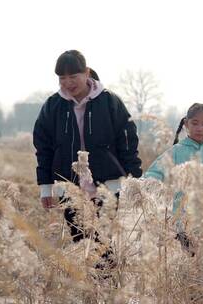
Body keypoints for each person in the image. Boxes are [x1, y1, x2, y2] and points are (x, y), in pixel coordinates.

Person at [33, 50, 142, 247]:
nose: (68, 82)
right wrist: (46, 187)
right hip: (69, 185)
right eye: (62, 78)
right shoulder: (53, 106)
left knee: (105, 243)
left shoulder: (109, 101)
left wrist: (134, 180)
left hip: (108, 186)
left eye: (73, 76)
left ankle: (108, 279)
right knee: (81, 244)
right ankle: (89, 279)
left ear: (86, 73)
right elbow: (44, 148)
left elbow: (127, 141)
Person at [144, 103, 203, 255]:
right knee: (190, 262)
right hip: (184, 221)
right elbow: (154, 173)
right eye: (194, 123)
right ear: (186, 124)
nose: (199, 128)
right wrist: (146, 186)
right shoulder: (176, 151)